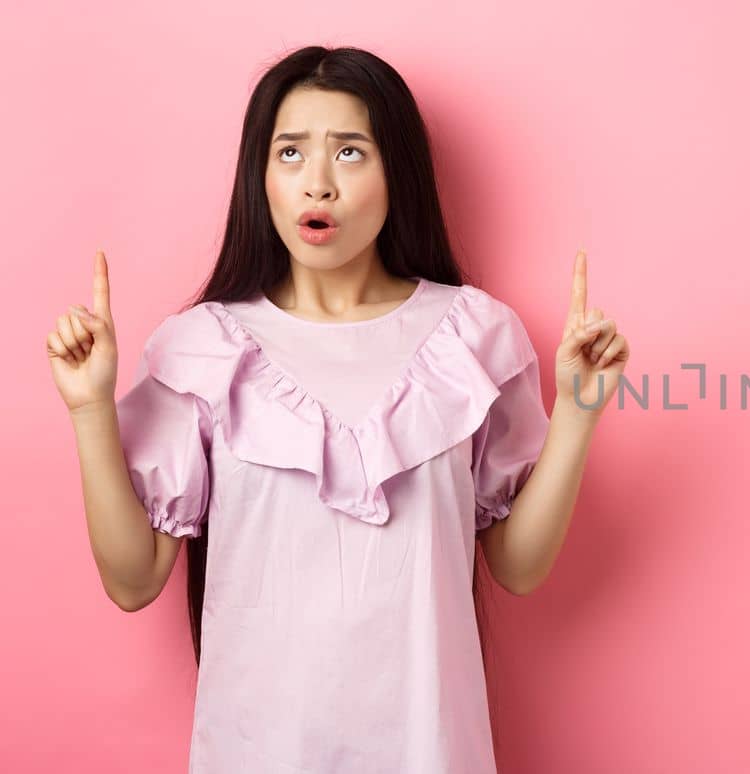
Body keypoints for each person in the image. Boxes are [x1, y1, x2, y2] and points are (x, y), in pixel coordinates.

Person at [46, 46, 630, 772]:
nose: (316, 184)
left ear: (398, 174)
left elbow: (517, 566)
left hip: (431, 751)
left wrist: (576, 413)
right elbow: (132, 581)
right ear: (260, 177)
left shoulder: (477, 336)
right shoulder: (200, 348)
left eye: (350, 152)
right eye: (289, 153)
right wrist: (89, 409)